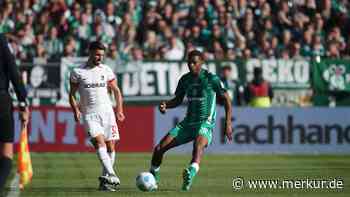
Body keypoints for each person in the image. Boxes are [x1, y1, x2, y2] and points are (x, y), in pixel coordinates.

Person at [149, 50, 233, 191]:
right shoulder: (184, 80)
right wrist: (166, 105)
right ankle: (153, 179)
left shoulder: (211, 79)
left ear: (202, 62)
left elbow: (226, 99)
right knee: (159, 149)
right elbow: (177, 100)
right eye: (189, 63)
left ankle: (190, 174)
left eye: (194, 62)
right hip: (187, 123)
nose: (191, 65)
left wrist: (228, 123)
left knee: (198, 146)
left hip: (205, 122)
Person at [69, 41, 125, 192]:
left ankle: (105, 181)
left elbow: (116, 91)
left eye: (102, 55)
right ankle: (112, 174)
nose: (100, 57)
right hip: (90, 114)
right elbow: (72, 94)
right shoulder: (77, 72)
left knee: (111, 146)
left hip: (108, 113)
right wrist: (75, 110)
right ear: (90, 52)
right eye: (97, 54)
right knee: (99, 143)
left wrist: (119, 110)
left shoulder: (106, 70)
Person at [0, 34, 29, 191]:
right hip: (2, 100)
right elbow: (13, 71)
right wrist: (23, 103)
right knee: (6, 154)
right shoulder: (1, 41)